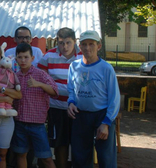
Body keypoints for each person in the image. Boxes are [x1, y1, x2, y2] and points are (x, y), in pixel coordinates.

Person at [67, 30, 120, 168]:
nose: (87, 48)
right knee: (80, 157)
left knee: (106, 158)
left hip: (102, 116)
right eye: (84, 44)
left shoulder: (106, 68)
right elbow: (71, 89)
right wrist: (71, 102)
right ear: (79, 46)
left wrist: (107, 122)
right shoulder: (74, 66)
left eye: (91, 44)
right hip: (80, 115)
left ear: (99, 46)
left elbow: (114, 98)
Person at [37, 27, 83, 168]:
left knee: (79, 143)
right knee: (60, 143)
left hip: (78, 108)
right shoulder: (48, 56)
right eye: (61, 43)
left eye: (68, 42)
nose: (65, 46)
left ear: (75, 41)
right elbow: (40, 79)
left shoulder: (83, 57)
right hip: (56, 107)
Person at [11, 43, 58, 168]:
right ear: (16, 59)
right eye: (20, 57)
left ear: (32, 58)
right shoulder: (15, 76)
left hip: (37, 124)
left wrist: (39, 84)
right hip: (20, 122)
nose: (23, 60)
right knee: (21, 154)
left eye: (26, 57)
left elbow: (55, 91)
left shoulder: (40, 74)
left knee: (46, 157)